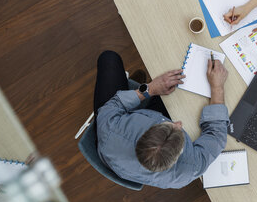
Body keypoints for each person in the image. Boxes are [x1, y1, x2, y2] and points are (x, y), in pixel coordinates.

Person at [94, 51, 229, 189]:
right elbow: (217, 136)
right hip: (114, 155)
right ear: (177, 158)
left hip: (110, 147)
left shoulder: (110, 129)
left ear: (146, 130)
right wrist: (217, 87)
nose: (178, 123)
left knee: (108, 58)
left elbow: (114, 105)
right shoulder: (188, 170)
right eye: (180, 131)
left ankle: (135, 84)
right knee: (176, 98)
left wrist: (149, 89)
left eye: (166, 124)